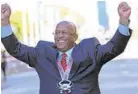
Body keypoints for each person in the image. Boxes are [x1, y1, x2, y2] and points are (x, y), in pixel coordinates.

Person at [1, 2, 132, 94]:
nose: (59, 36)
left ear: (75, 37)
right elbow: (16, 49)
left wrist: (123, 20)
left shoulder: (90, 50)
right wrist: (5, 22)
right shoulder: (42, 52)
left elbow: (114, 47)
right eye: (57, 33)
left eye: (64, 32)